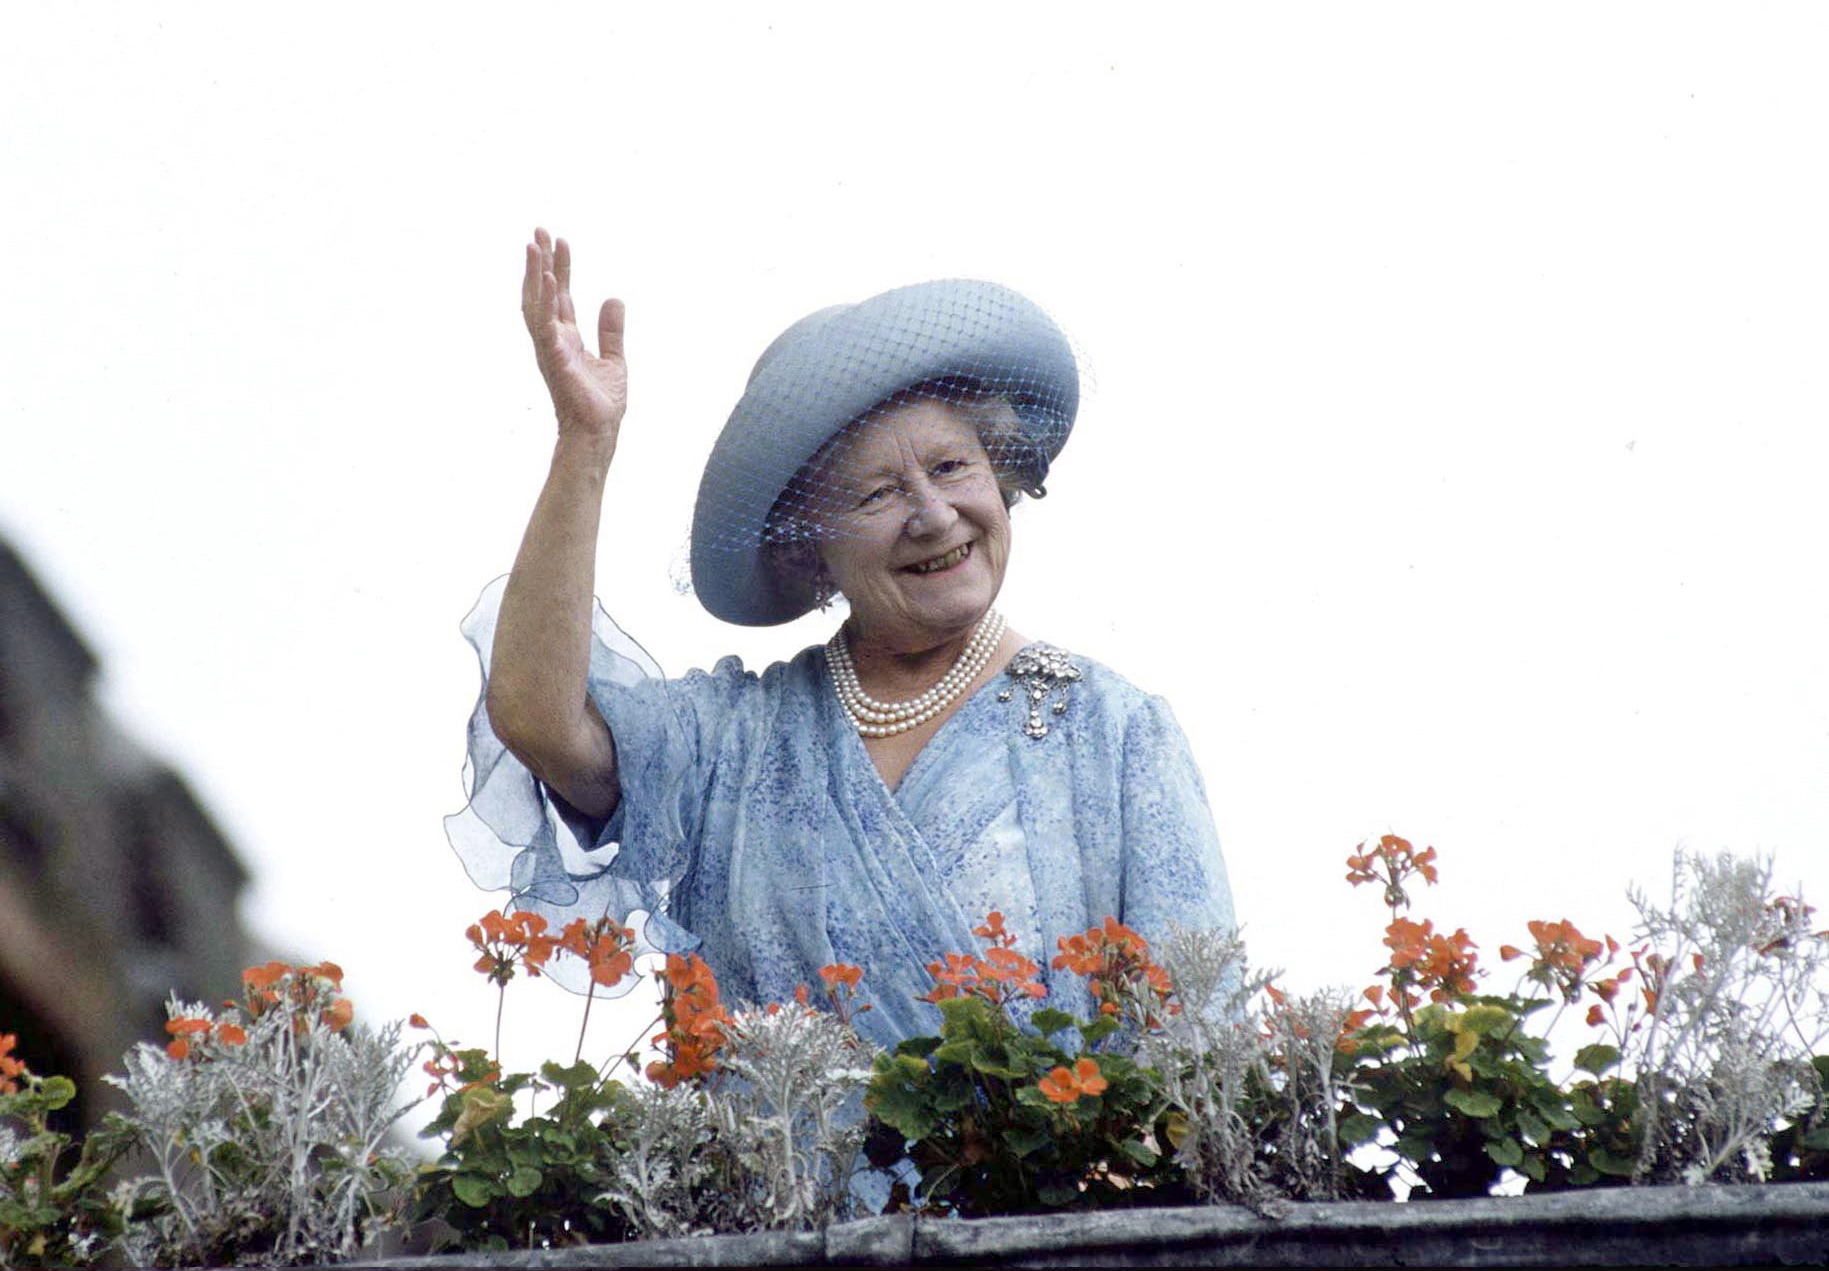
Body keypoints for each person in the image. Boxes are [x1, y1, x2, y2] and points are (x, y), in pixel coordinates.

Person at [447, 228, 1234, 1052]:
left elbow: (1198, 1045)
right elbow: (536, 719)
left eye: (954, 468)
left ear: (1001, 475)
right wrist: (585, 446)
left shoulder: (1115, 731)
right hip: (779, 1183)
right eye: (876, 494)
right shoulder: (733, 739)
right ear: (805, 547)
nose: (933, 515)